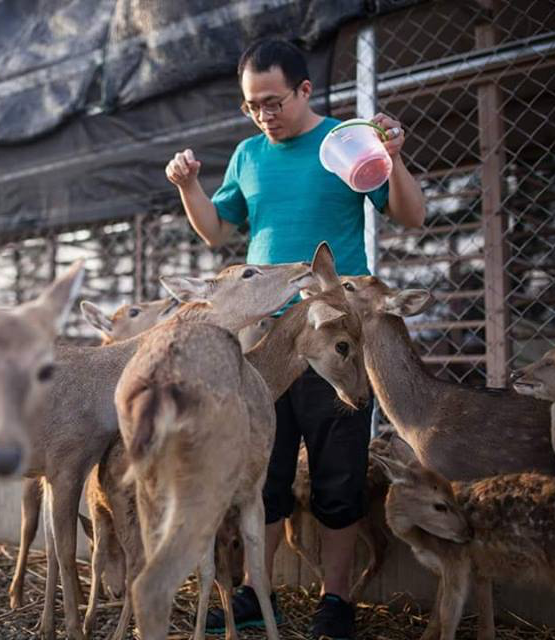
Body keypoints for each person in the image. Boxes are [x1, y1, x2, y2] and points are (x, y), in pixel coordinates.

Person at [165, 37, 425, 639]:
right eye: (252, 105)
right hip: (264, 338)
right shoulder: (248, 156)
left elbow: (411, 215)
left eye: (273, 101)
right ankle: (259, 593)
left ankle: (336, 601)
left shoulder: (346, 144)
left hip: (331, 331)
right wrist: (187, 186)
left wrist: (398, 157)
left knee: (338, 474)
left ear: (305, 91)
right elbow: (216, 231)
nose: (263, 114)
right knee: (268, 471)